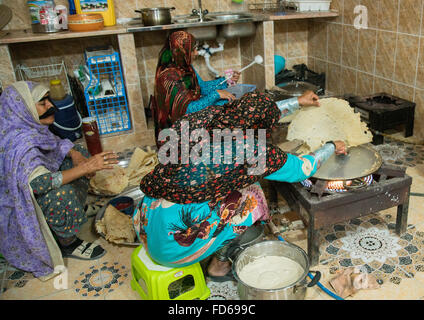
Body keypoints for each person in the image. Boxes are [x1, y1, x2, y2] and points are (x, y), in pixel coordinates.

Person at [135, 90, 346, 281]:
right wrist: (330, 146)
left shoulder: (203, 119)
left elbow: (253, 114)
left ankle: (208, 243)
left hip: (148, 230)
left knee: (211, 185)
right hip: (174, 251)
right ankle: (220, 263)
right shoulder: (254, 152)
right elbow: (302, 168)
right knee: (252, 193)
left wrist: (298, 102)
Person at [0, 81, 119, 280]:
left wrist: (76, 155)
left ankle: (76, 211)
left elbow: (56, 144)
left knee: (77, 152)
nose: (51, 106)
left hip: (39, 188)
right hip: (23, 211)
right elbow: (39, 184)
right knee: (60, 193)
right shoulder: (19, 143)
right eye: (42, 103)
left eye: (48, 100)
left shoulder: (31, 128)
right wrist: (86, 168)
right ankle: (68, 243)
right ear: (24, 108)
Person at [150, 30, 241, 141]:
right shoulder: (169, 77)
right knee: (224, 112)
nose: (196, 53)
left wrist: (226, 80)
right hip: (177, 130)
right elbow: (187, 110)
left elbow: (202, 87)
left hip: (189, 117)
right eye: (193, 50)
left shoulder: (185, 67)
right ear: (182, 50)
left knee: (228, 103)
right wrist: (216, 95)